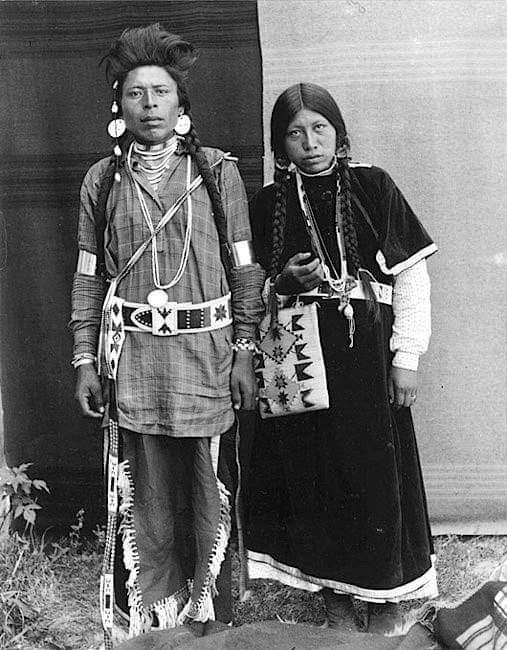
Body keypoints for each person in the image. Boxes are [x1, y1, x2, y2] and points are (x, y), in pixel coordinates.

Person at [69, 24, 265, 643]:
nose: (150, 104)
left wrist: (244, 352)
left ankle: (208, 610)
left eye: (161, 92)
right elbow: (87, 277)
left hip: (207, 352)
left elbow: (246, 271)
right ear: (117, 106)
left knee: (205, 478)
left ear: (182, 105)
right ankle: (153, 614)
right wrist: (82, 359)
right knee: (145, 479)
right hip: (133, 358)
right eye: (135, 93)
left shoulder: (216, 173)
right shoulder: (101, 181)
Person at [245, 83, 438, 635]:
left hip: (367, 358)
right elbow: (250, 294)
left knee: (374, 472)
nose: (309, 142)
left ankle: (385, 597)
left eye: (320, 128)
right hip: (301, 357)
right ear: (280, 146)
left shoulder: (373, 185)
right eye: (295, 132)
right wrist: (282, 283)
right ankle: (333, 590)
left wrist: (406, 357)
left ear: (339, 131)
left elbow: (412, 277)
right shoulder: (267, 205)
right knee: (314, 473)